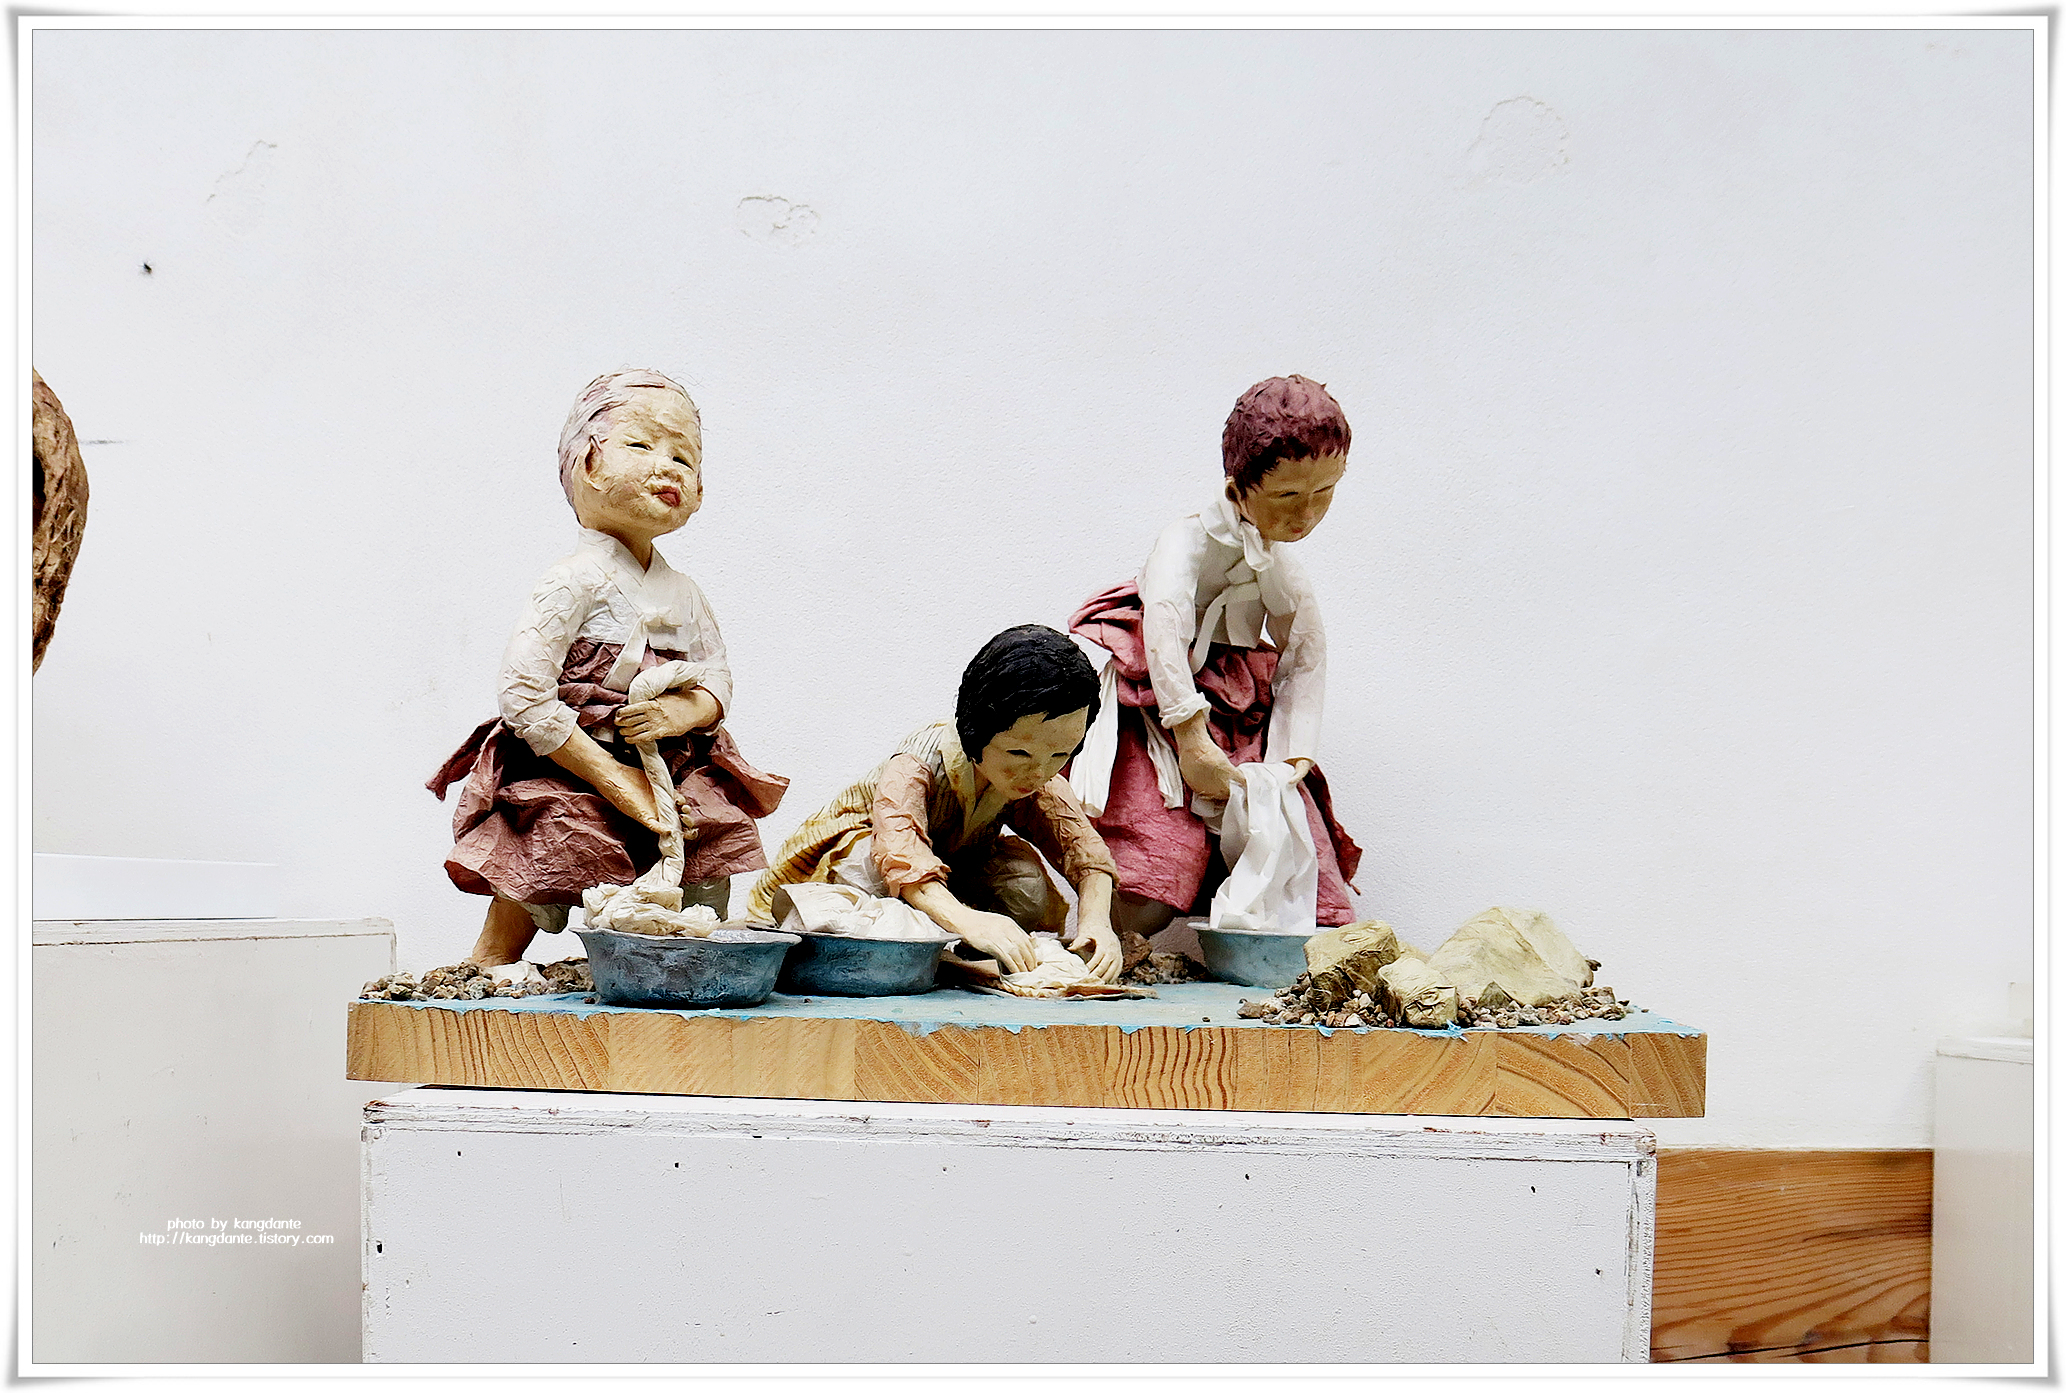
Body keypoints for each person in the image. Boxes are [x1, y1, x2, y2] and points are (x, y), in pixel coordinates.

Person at [429, 370, 788, 981]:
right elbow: (523, 695)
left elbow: (718, 676)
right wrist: (620, 781)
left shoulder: (685, 592)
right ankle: (488, 966)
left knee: (705, 845)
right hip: (575, 763)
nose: (668, 467)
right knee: (548, 838)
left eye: (684, 457)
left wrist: (688, 711)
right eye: (641, 445)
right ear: (588, 464)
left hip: (676, 765)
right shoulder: (572, 580)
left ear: (701, 489)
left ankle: (681, 970)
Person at [1069, 374, 1364, 945]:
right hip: (1162, 700)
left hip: (1241, 709)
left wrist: (1289, 760)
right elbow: (1165, 623)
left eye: (1325, 492)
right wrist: (1190, 734)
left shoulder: (1280, 565)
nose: (1307, 513)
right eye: (1288, 496)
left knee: (1286, 843)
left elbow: (1306, 654)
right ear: (1238, 488)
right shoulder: (1184, 542)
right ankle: (1110, 944)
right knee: (1157, 855)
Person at [747, 624, 1123, 982]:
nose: (1039, 771)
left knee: (1024, 885)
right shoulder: (917, 764)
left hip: (950, 870)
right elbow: (900, 853)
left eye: (1060, 754)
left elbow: (1081, 849)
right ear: (977, 728)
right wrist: (967, 919)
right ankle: (880, 959)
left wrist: (1096, 923)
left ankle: (972, 956)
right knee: (866, 873)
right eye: (1019, 753)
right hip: (875, 858)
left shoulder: (1034, 778)